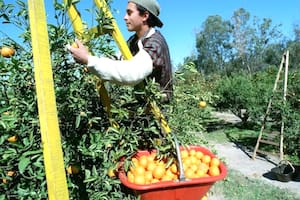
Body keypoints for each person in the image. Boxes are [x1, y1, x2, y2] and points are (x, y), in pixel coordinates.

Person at [67, 0, 173, 102]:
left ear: (145, 16)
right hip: (142, 108)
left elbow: (132, 73)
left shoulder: (155, 43)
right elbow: (118, 58)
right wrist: (87, 60)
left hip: (158, 114)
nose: (125, 17)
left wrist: (88, 60)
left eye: (129, 13)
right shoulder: (133, 41)